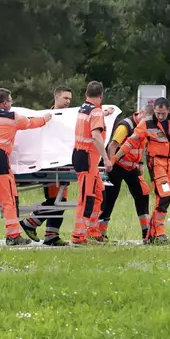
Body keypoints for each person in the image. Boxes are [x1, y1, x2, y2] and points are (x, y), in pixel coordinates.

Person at [20, 86, 115, 246]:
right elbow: (94, 131)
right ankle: (72, 235)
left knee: (95, 195)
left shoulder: (80, 111)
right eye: (65, 98)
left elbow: (85, 121)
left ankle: (57, 234)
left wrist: (105, 113)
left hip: (73, 159)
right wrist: (105, 158)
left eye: (69, 99)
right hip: (66, 161)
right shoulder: (51, 116)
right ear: (56, 97)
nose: (68, 102)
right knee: (66, 199)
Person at [0, 88, 53, 247]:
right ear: (5, 102)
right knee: (8, 200)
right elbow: (31, 123)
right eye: (11, 101)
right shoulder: (12, 117)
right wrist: (45, 118)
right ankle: (13, 236)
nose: (11, 103)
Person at [112, 97, 170, 244]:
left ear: (168, 110)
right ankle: (159, 231)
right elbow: (131, 142)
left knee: (166, 197)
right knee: (164, 193)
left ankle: (152, 233)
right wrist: (114, 158)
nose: (160, 116)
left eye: (163, 113)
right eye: (157, 113)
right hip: (156, 162)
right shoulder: (147, 123)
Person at [98, 105, 154, 240]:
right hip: (115, 166)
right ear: (140, 113)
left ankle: (146, 233)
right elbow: (113, 146)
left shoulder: (147, 126)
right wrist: (110, 164)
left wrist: (140, 163)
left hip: (131, 167)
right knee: (109, 199)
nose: (146, 123)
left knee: (143, 194)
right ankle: (100, 234)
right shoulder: (125, 126)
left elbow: (142, 146)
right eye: (145, 119)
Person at [71, 81, 112, 245]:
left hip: (83, 156)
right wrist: (106, 159)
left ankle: (92, 231)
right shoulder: (95, 112)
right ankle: (78, 236)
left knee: (98, 192)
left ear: (86, 94)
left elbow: (95, 116)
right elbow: (95, 135)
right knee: (86, 197)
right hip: (88, 158)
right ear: (101, 96)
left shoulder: (84, 109)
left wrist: (105, 113)